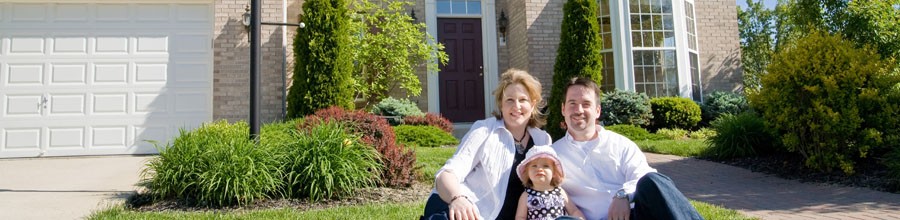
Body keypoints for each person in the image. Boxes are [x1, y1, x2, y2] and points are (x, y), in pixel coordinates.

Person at [552, 77, 702, 220]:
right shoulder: (553, 155)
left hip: (633, 216)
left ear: (597, 110)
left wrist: (623, 194)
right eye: (572, 103)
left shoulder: (620, 144)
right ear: (563, 109)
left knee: (653, 180)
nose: (578, 110)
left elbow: (642, 174)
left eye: (586, 104)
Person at [422, 69, 552, 220]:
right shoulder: (484, 131)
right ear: (501, 105)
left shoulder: (542, 140)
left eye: (523, 100)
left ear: (533, 104)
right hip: (464, 211)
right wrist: (458, 199)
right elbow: (447, 174)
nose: (516, 106)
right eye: (509, 100)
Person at [514, 145, 585, 220]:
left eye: (545, 166)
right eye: (534, 166)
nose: (540, 169)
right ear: (527, 173)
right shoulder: (527, 195)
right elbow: (520, 217)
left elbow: (573, 211)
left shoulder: (559, 191)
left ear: (554, 172)